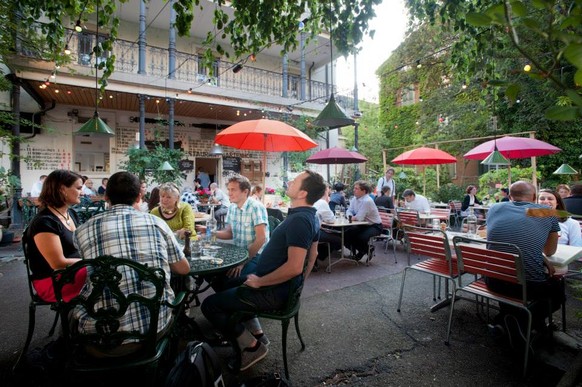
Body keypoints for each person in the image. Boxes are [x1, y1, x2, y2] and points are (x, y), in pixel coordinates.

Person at [201, 170, 325, 371]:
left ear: (303, 193)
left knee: (209, 305)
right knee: (224, 282)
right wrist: (296, 289)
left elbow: (295, 267)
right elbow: (312, 257)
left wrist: (260, 282)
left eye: (296, 180)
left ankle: (253, 347)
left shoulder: (299, 220)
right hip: (271, 285)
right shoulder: (309, 216)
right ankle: (255, 332)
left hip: (268, 290)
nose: (291, 181)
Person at [74, 172, 190, 351]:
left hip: (97, 335)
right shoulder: (156, 223)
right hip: (152, 328)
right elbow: (183, 269)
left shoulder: (82, 230)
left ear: (106, 196)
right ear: (139, 196)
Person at [485, 181, 561, 336]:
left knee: (510, 279)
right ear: (534, 197)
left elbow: (508, 239)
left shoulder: (495, 208)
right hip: (528, 287)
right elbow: (550, 250)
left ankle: (506, 320)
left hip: (493, 280)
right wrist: (542, 255)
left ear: (510, 196)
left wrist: (537, 254)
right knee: (558, 292)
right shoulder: (546, 212)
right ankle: (522, 323)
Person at [199, 174, 269, 289]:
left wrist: (243, 262)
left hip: (256, 255)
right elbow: (230, 233)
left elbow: (261, 239)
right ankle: (224, 297)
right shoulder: (232, 207)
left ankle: (227, 299)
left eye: (233, 190)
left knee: (228, 279)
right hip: (238, 252)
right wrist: (210, 232)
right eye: (228, 189)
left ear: (245, 192)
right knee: (209, 270)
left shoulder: (256, 207)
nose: (229, 193)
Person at [25, 170, 85, 302]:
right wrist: (91, 261)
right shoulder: (45, 222)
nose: (83, 192)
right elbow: (57, 263)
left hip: (72, 273)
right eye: (79, 188)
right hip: (52, 281)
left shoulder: (71, 214)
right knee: (107, 276)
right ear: (62, 189)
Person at [345, 181, 383, 261]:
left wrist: (351, 217)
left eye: (356, 189)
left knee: (361, 237)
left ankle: (363, 251)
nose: (354, 190)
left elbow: (359, 218)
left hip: (374, 226)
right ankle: (366, 250)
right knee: (346, 234)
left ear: (364, 191)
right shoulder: (354, 199)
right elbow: (348, 211)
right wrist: (351, 216)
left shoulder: (367, 201)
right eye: (354, 188)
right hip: (362, 225)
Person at [315, 184, 342, 265]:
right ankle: (319, 257)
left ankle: (317, 258)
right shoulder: (322, 203)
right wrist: (327, 202)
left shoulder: (313, 201)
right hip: (315, 232)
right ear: (325, 193)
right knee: (339, 239)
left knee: (328, 235)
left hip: (309, 231)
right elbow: (331, 220)